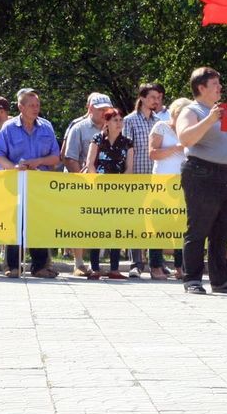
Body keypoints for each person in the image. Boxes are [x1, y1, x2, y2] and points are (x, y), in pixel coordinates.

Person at [177, 67, 227, 295]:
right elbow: (185, 138)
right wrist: (210, 119)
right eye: (215, 85)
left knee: (224, 231)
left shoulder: (224, 111)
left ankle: (221, 280)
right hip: (203, 173)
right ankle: (192, 279)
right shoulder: (192, 110)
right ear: (201, 88)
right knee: (199, 228)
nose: (220, 88)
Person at [0, 89, 61, 278]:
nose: (36, 109)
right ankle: (12, 266)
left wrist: (39, 161)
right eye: (31, 105)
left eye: (37, 105)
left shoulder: (47, 127)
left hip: (40, 186)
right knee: (15, 223)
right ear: (20, 107)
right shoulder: (8, 128)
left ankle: (40, 266)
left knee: (39, 223)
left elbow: (56, 157)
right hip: (15, 185)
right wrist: (13, 167)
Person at [63, 92, 113, 277]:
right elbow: (69, 158)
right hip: (81, 184)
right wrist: (82, 182)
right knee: (79, 223)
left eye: (107, 109)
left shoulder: (114, 127)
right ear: (90, 109)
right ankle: (79, 263)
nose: (104, 113)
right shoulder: (79, 128)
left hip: (105, 185)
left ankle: (96, 264)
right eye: (100, 110)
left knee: (99, 222)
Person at [83, 108, 133, 279]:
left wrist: (119, 185)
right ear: (107, 122)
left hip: (118, 190)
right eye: (115, 120)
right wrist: (98, 183)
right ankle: (95, 267)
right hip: (99, 189)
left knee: (115, 227)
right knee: (97, 227)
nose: (119, 123)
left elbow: (129, 168)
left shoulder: (128, 142)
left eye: (121, 120)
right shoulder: (97, 139)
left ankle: (114, 267)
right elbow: (90, 164)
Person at [123, 83, 165, 278]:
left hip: (155, 177)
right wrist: (129, 172)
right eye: (153, 97)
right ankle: (136, 262)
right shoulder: (130, 121)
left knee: (156, 219)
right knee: (136, 219)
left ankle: (157, 262)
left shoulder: (158, 122)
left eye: (159, 97)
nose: (156, 100)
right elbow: (127, 148)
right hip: (137, 176)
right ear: (142, 97)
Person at [149, 98, 191, 279]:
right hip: (161, 182)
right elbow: (153, 153)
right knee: (158, 224)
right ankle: (155, 266)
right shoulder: (160, 127)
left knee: (182, 225)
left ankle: (181, 267)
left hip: (183, 182)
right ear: (175, 113)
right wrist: (176, 148)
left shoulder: (188, 131)